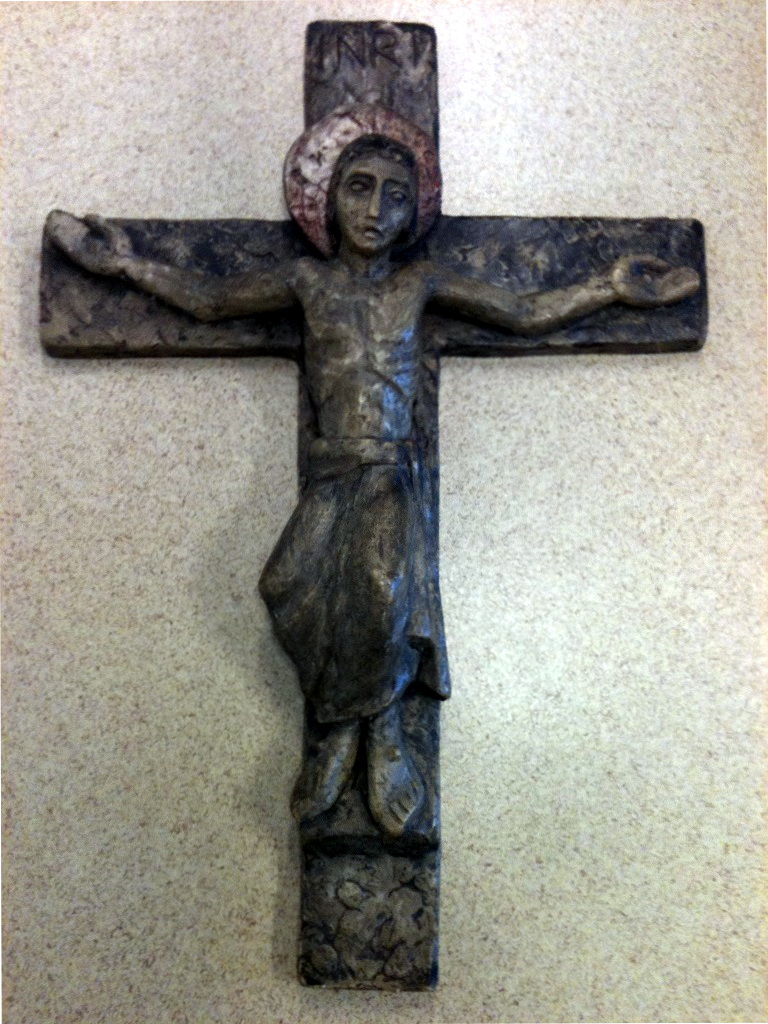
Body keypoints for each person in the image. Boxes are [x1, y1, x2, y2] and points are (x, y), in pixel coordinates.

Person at [46, 106, 700, 839]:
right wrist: (124, 264)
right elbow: (211, 301)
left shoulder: (419, 283)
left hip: (389, 467)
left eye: (395, 195)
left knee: (383, 592)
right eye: (359, 188)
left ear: (413, 212)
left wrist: (610, 288)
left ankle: (371, 741)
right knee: (286, 584)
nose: (375, 209)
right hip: (333, 470)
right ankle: (345, 721)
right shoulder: (306, 281)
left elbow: (520, 311)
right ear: (326, 200)